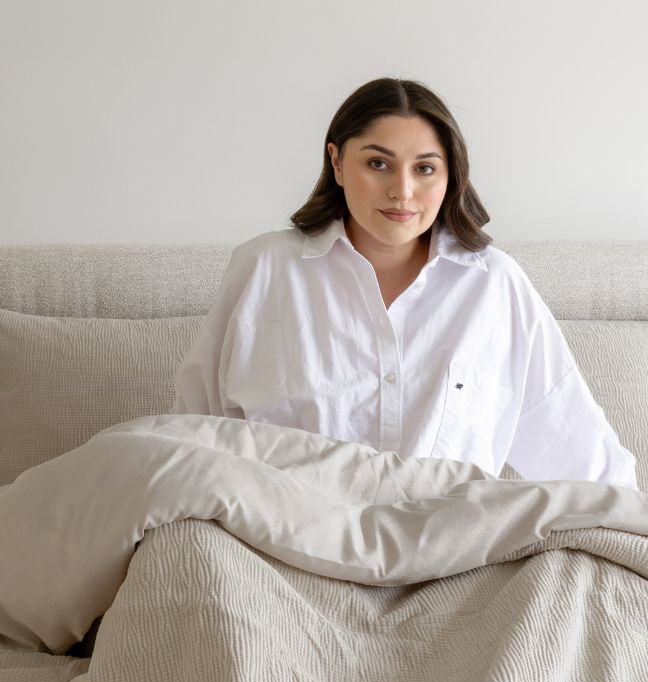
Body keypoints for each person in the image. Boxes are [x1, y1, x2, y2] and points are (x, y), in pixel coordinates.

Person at [173, 77, 639, 489]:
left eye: (425, 168)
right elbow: (195, 436)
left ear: (450, 174)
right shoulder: (264, 269)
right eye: (378, 164)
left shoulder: (494, 286)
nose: (402, 190)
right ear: (336, 163)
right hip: (283, 548)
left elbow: (577, 449)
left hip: (448, 554)